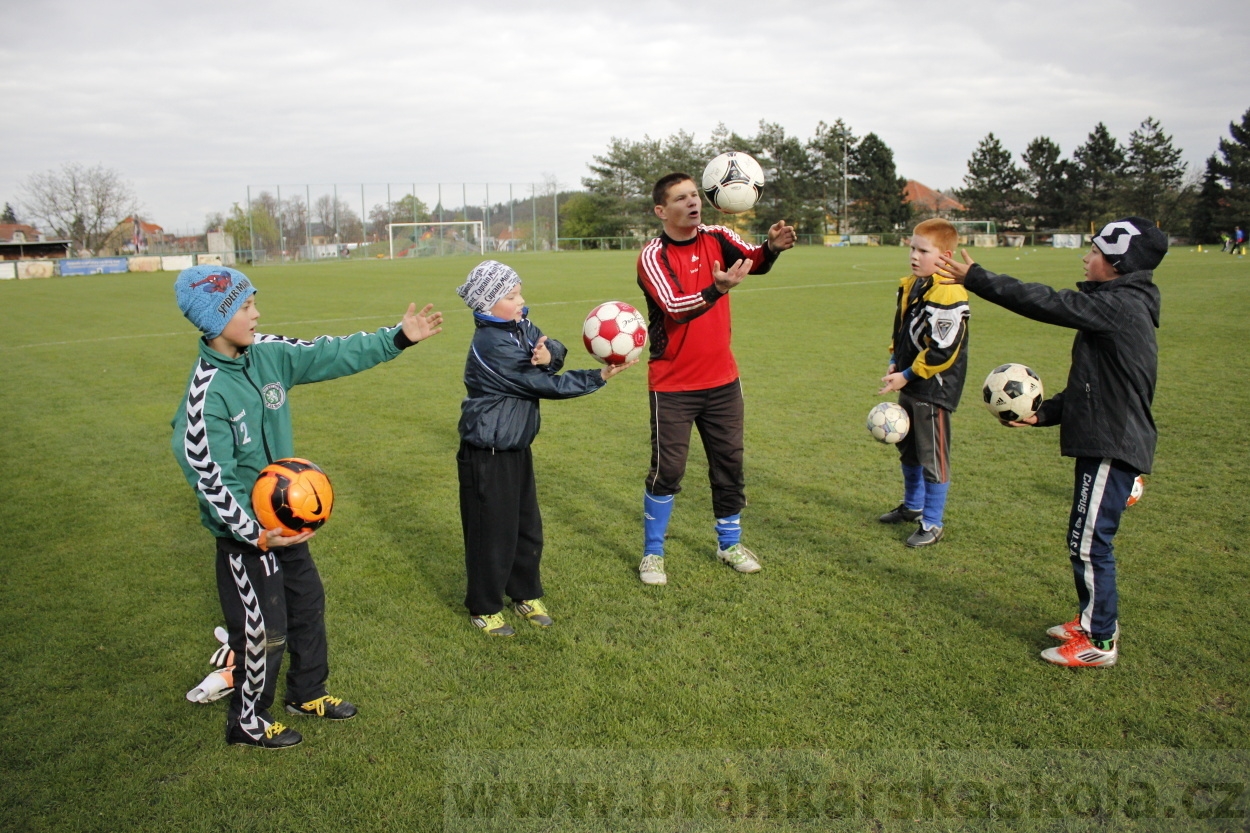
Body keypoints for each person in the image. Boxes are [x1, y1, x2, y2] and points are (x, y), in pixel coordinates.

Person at [171, 265, 443, 748]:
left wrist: (396, 339)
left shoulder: (268, 353)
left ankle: (307, 693)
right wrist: (254, 532)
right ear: (215, 321)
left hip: (288, 527)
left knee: (307, 608)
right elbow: (209, 475)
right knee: (263, 632)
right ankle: (247, 721)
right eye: (245, 306)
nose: (257, 314)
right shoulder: (206, 396)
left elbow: (327, 353)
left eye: (254, 302)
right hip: (247, 541)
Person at [938, 216, 1167, 668]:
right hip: (1104, 437)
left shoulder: (1121, 305)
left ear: (1118, 263)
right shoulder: (1118, 305)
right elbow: (1092, 387)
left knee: (1089, 542)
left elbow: (1047, 303)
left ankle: (1100, 643)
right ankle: (1092, 620)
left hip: (1113, 444)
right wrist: (1044, 414)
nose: (1087, 257)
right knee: (1083, 537)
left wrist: (978, 278)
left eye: (1096, 252)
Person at [635, 172, 797, 586]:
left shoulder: (718, 235)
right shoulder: (653, 255)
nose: (693, 203)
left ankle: (729, 543)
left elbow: (751, 260)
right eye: (681, 198)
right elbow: (674, 306)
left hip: (722, 380)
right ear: (661, 210)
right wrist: (716, 290)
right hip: (671, 383)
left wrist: (771, 248)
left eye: (695, 195)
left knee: (729, 464)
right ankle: (653, 553)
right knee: (668, 470)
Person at [456, 260, 633, 636]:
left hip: (516, 445)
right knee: (492, 534)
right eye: (511, 295)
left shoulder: (520, 327)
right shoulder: (490, 344)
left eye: (519, 292)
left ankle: (525, 595)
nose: (521, 300)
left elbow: (553, 347)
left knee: (526, 528)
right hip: (487, 452)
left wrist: (550, 353)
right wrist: (597, 376)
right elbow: (543, 385)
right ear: (487, 305)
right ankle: (484, 607)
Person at [876, 218, 971, 547]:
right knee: (909, 447)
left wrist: (905, 375)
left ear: (945, 255)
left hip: (933, 387)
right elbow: (902, 329)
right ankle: (913, 506)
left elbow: (942, 352)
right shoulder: (916, 284)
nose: (914, 255)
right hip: (910, 380)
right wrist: (894, 360)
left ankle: (932, 522)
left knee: (933, 455)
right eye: (912, 248)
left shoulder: (947, 292)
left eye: (923, 250)